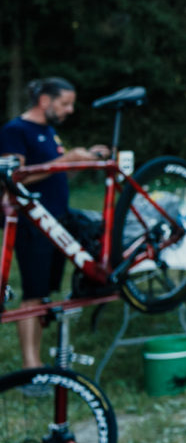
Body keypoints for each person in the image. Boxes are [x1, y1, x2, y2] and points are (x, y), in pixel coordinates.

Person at [0, 78, 111, 369]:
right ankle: (31, 368)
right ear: (45, 101)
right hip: (32, 224)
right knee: (34, 295)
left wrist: (79, 160)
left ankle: (39, 360)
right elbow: (12, 177)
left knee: (46, 294)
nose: (70, 110)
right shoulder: (15, 131)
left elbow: (55, 174)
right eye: (65, 104)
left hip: (57, 221)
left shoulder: (49, 132)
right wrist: (65, 160)